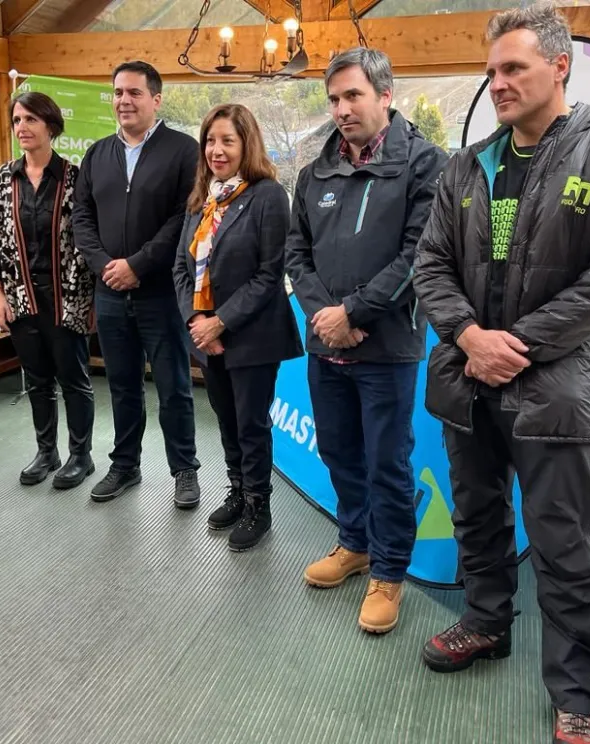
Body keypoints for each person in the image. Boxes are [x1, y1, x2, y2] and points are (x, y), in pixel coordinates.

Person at [413, 5, 590, 743]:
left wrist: (512, 344)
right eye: (491, 71)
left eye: (513, 68)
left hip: (556, 384)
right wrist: (468, 336)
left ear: (559, 67)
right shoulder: (468, 165)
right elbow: (431, 263)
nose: (498, 83)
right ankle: (487, 621)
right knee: (476, 514)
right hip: (468, 377)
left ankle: (577, 690)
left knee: (563, 541)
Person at [286, 48, 448, 634]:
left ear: (385, 94)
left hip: (386, 348)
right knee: (338, 451)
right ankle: (354, 543)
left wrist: (353, 312)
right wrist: (324, 316)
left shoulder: (426, 164)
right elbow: (296, 253)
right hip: (324, 345)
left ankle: (389, 571)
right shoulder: (315, 172)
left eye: (352, 95)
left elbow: (419, 255)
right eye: (333, 99)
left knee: (386, 462)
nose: (341, 109)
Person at [173, 104, 303, 551]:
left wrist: (220, 323)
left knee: (251, 425)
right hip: (205, 336)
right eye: (210, 140)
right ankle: (237, 490)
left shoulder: (268, 196)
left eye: (227, 140)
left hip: (252, 336)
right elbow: (180, 266)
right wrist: (196, 320)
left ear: (247, 144)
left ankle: (258, 506)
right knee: (226, 420)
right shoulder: (201, 198)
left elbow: (270, 274)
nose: (217, 150)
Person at [72, 61, 202, 508]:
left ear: (156, 99)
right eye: (118, 93)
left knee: (173, 386)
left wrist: (139, 265)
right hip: (109, 293)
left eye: (134, 93)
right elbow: (82, 217)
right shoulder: (97, 154)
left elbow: (184, 218)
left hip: (160, 293)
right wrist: (105, 265)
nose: (124, 101)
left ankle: (184, 470)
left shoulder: (183, 151)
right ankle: (125, 465)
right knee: (122, 386)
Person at [0, 92, 96, 488]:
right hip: (20, 296)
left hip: (67, 296)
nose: (22, 127)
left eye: (31, 119)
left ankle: (81, 455)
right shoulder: (5, 177)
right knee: (37, 379)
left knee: (74, 379)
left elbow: (90, 238)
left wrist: (92, 299)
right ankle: (47, 451)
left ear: (51, 125)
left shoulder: (74, 177)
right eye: (17, 120)